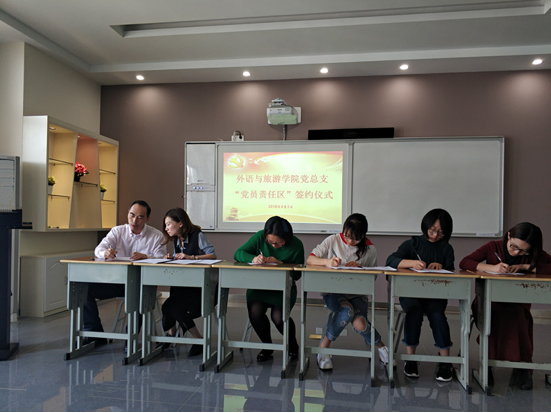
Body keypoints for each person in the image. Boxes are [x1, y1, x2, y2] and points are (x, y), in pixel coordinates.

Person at [459, 222, 551, 390]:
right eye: (513, 246)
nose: (516, 252)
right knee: (494, 314)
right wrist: (492, 268)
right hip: (488, 301)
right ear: (508, 236)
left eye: (523, 251)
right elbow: (465, 262)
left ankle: (523, 368)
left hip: (517, 304)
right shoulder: (493, 247)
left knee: (519, 317)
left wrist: (526, 266)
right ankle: (487, 365)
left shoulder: (533, 255)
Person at [306, 213, 390, 370]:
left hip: (357, 294)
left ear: (363, 236)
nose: (350, 241)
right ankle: (323, 350)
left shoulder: (370, 249)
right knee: (347, 311)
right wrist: (328, 262)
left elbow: (372, 277)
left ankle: (382, 349)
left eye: (355, 239)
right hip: (333, 292)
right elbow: (310, 259)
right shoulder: (333, 240)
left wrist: (361, 268)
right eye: (347, 236)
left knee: (360, 323)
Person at [386, 208, 455, 382]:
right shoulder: (412, 244)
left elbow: (452, 274)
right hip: (411, 294)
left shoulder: (446, 248)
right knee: (414, 311)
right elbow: (391, 261)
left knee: (437, 315)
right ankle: (411, 359)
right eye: (432, 230)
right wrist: (412, 263)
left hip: (435, 296)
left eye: (440, 232)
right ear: (425, 226)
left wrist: (442, 268)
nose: (435, 235)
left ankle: (445, 361)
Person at [85, 200, 166, 345]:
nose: (134, 220)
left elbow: (161, 258)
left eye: (140, 217)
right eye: (132, 215)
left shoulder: (156, 236)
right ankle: (94, 334)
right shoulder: (117, 231)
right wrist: (105, 253)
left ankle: (131, 337)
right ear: (127, 214)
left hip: (142, 283)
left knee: (138, 293)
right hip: (117, 281)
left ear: (147, 219)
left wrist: (147, 257)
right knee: (85, 289)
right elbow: (98, 249)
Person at [234, 216, 305, 362]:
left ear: (287, 238)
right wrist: (253, 259)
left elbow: (297, 275)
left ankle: (292, 344)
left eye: (278, 243)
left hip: (283, 289)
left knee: (278, 317)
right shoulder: (259, 237)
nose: (274, 245)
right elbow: (238, 253)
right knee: (255, 312)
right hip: (259, 287)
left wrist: (281, 264)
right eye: (270, 242)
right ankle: (267, 346)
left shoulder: (297, 245)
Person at [160, 207, 217, 357]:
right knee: (167, 306)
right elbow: (180, 258)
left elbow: (212, 255)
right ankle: (171, 335)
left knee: (176, 309)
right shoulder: (177, 239)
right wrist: (172, 258)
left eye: (168, 224)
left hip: (201, 289)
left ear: (180, 223)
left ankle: (199, 340)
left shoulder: (198, 235)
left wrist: (192, 257)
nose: (166, 228)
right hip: (185, 286)